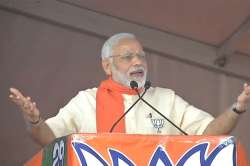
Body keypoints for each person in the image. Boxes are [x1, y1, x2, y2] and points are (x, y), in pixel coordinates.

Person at [9, 33, 250, 146]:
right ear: (107, 65)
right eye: (127, 57)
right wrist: (34, 120)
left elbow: (209, 132)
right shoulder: (87, 102)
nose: (137, 61)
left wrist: (236, 109)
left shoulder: (166, 100)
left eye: (141, 56)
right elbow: (49, 139)